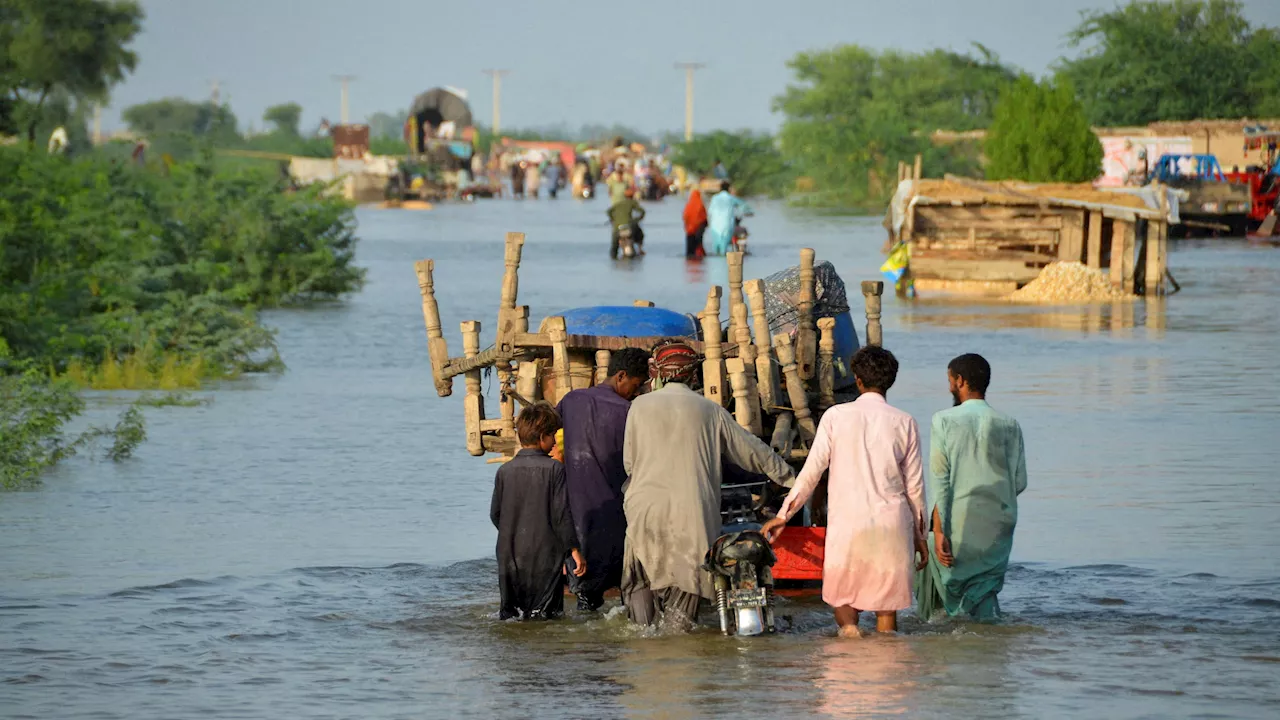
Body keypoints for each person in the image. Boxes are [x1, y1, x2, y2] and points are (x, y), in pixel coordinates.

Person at [621, 340, 795, 630]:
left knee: (641, 584)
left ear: (660, 374)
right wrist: (791, 479)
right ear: (693, 375)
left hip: (644, 510)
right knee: (685, 597)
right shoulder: (710, 410)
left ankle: (642, 644)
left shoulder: (639, 406)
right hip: (692, 515)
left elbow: (629, 463)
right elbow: (753, 452)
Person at [762, 346, 927, 636]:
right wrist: (920, 537)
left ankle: (848, 653)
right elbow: (915, 489)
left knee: (845, 604)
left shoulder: (836, 417)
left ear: (857, 380)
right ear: (891, 381)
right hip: (891, 525)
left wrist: (783, 515)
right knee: (886, 614)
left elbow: (811, 473)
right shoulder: (906, 422)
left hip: (848, 525)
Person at [917, 353, 1028, 621]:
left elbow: (940, 480)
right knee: (986, 590)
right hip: (1000, 522)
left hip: (960, 520)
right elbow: (1020, 482)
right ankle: (991, 647)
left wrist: (940, 529)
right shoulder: (1010, 424)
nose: (949, 387)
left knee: (937, 572)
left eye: (950, 380)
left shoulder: (943, 420)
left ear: (960, 381)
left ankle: (948, 637)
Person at [556, 348, 652, 611]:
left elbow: (550, 433)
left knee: (586, 599)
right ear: (621, 376)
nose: (636, 391)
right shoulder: (629, 412)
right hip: (615, 515)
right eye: (635, 385)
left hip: (576, 517)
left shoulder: (572, 400)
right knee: (628, 591)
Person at [490, 403, 587, 620]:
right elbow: (561, 514)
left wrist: (514, 534)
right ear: (543, 436)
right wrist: (573, 551)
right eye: (553, 435)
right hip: (545, 556)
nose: (554, 442)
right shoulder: (554, 469)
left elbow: (495, 514)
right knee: (546, 617)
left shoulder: (504, 471)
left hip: (509, 554)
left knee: (511, 616)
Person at [706, 183, 752, 255]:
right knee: (724, 248)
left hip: (714, 225)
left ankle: (714, 265)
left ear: (720, 188)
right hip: (726, 225)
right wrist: (748, 212)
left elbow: (709, 212)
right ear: (729, 189)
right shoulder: (731, 198)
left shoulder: (714, 198)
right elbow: (744, 205)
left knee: (716, 247)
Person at [607, 187, 646, 258]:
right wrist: (638, 219)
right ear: (632, 196)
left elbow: (609, 211)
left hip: (618, 229)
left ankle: (613, 255)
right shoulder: (632, 202)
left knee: (614, 247)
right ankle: (640, 249)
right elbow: (642, 211)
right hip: (629, 227)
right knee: (640, 233)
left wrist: (613, 219)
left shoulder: (618, 203)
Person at [682, 189, 708, 258]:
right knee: (698, 246)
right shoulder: (700, 205)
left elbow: (685, 217)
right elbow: (704, 217)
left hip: (689, 230)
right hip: (698, 229)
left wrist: (687, 226)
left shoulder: (688, 205)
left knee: (689, 251)